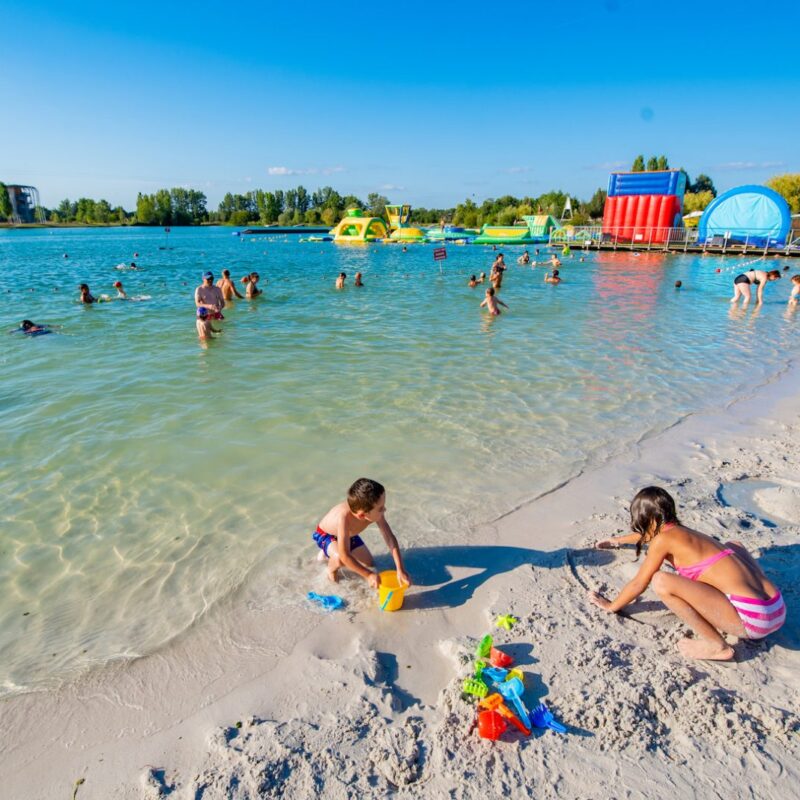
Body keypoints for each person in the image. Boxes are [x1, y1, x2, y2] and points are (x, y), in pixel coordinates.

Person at [588, 486, 786, 661]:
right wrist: (617, 540)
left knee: (661, 581)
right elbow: (650, 535)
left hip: (755, 620)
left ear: (644, 518)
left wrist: (611, 606)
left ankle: (716, 646)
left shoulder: (662, 540)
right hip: (777, 608)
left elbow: (640, 582)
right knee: (734, 545)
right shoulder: (683, 532)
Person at [312, 477, 412, 587]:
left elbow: (389, 538)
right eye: (380, 508)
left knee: (368, 562)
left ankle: (333, 551)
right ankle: (330, 566)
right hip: (326, 535)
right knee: (341, 558)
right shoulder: (344, 518)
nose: (384, 510)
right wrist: (368, 575)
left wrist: (400, 569)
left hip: (348, 534)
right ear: (362, 515)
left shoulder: (372, 511)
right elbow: (345, 555)